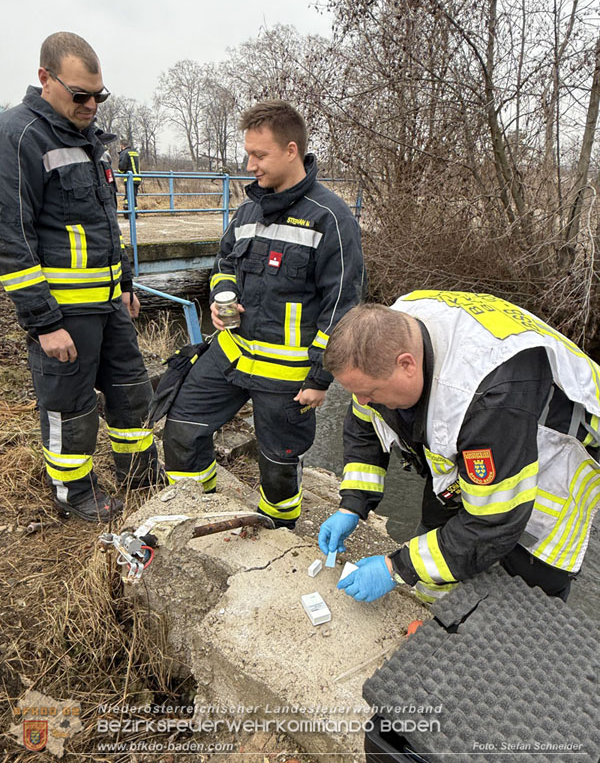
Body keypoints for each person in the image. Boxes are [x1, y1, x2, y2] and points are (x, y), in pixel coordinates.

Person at [319, 291, 600, 602]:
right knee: (440, 529)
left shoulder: (486, 401)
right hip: (487, 420)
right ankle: (435, 616)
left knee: (530, 578)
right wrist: (352, 504)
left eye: (369, 391)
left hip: (556, 448)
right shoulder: (386, 334)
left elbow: (492, 523)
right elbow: (365, 423)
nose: (362, 400)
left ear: (407, 365)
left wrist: (395, 567)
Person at [163, 100, 364, 528]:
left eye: (260, 155)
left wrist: (320, 379)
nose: (250, 164)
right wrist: (223, 299)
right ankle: (198, 513)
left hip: (287, 377)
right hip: (231, 355)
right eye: (248, 154)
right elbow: (223, 266)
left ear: (291, 151)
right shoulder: (248, 210)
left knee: (278, 467)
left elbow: (342, 306)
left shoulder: (331, 217)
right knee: (182, 429)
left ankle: (278, 531)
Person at [0, 32, 159, 522]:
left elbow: (104, 223)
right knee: (68, 407)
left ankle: (140, 477)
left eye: (99, 96)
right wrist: (45, 323)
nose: (92, 105)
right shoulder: (19, 136)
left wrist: (127, 284)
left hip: (109, 303)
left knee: (132, 390)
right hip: (64, 311)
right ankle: (76, 495)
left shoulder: (91, 140)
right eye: (81, 95)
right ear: (45, 78)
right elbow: (12, 237)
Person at [118, 139, 141, 216]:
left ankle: (130, 215)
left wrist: (119, 173)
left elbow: (122, 166)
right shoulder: (134, 152)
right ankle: (134, 213)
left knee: (129, 197)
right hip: (137, 177)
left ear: (122, 145)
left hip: (129, 178)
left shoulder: (124, 153)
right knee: (132, 196)